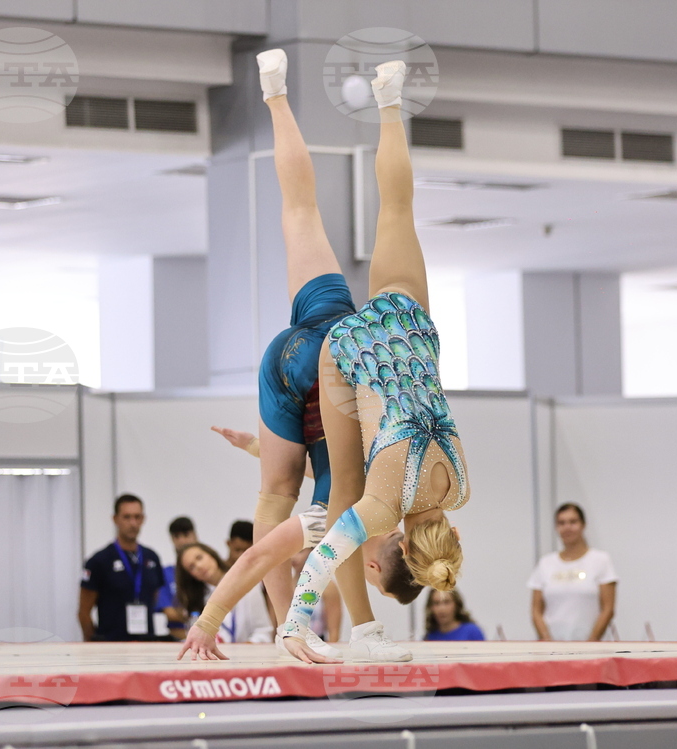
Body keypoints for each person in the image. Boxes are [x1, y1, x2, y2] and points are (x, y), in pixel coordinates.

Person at [178, 49, 419, 664]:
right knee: (274, 495)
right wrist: (207, 622)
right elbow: (261, 552)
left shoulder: (410, 489)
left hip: (354, 338)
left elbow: (342, 456)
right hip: (295, 366)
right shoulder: (341, 520)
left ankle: (304, 93)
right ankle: (293, 624)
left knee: (310, 211)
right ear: (372, 557)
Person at [279, 56, 472, 664]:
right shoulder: (385, 507)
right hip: (347, 349)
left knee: (398, 207)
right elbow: (327, 552)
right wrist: (295, 625)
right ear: (396, 546)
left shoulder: (462, 489)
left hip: (406, 323)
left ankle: (389, 100)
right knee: (341, 492)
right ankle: (355, 632)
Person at [79, 494, 164, 641]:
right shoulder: (99, 561)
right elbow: (84, 612)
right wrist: (93, 643)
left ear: (143, 519)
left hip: (147, 644)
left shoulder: (151, 558)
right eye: (127, 517)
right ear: (115, 519)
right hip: (112, 645)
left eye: (137, 517)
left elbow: (154, 598)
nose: (133, 523)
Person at [528, 504, 617, 642]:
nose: (567, 527)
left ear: (583, 525)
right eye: (561, 523)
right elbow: (536, 610)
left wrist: (591, 642)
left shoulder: (600, 560)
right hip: (552, 647)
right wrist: (547, 640)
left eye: (573, 522)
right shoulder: (545, 563)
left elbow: (608, 609)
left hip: (590, 647)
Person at [177, 543, 275, 644]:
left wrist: (240, 648)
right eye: (191, 567)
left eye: (199, 558)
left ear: (211, 554)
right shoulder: (196, 600)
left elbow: (263, 633)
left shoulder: (247, 583)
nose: (199, 566)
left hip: (248, 654)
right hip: (213, 656)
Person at [156, 516, 197, 641]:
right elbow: (170, 613)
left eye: (186, 534)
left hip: (209, 638)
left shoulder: (206, 572)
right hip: (176, 639)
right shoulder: (165, 573)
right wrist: (195, 615)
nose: (182, 540)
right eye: (176, 536)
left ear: (195, 535)